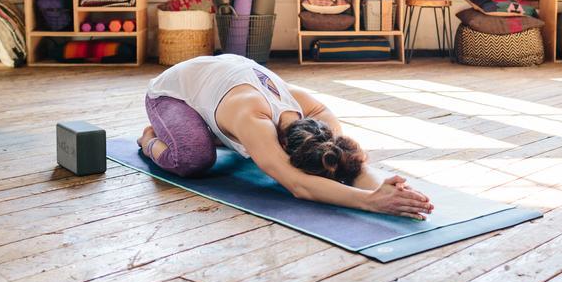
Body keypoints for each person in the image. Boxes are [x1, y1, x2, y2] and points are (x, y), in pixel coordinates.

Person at [138, 54, 434, 220]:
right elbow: (298, 184)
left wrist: (390, 190)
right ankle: (150, 138)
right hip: (173, 92)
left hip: (220, 80)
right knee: (194, 158)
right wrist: (371, 202)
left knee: (251, 151)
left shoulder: (313, 109)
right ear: (283, 145)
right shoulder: (252, 117)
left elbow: (347, 160)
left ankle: (214, 129)